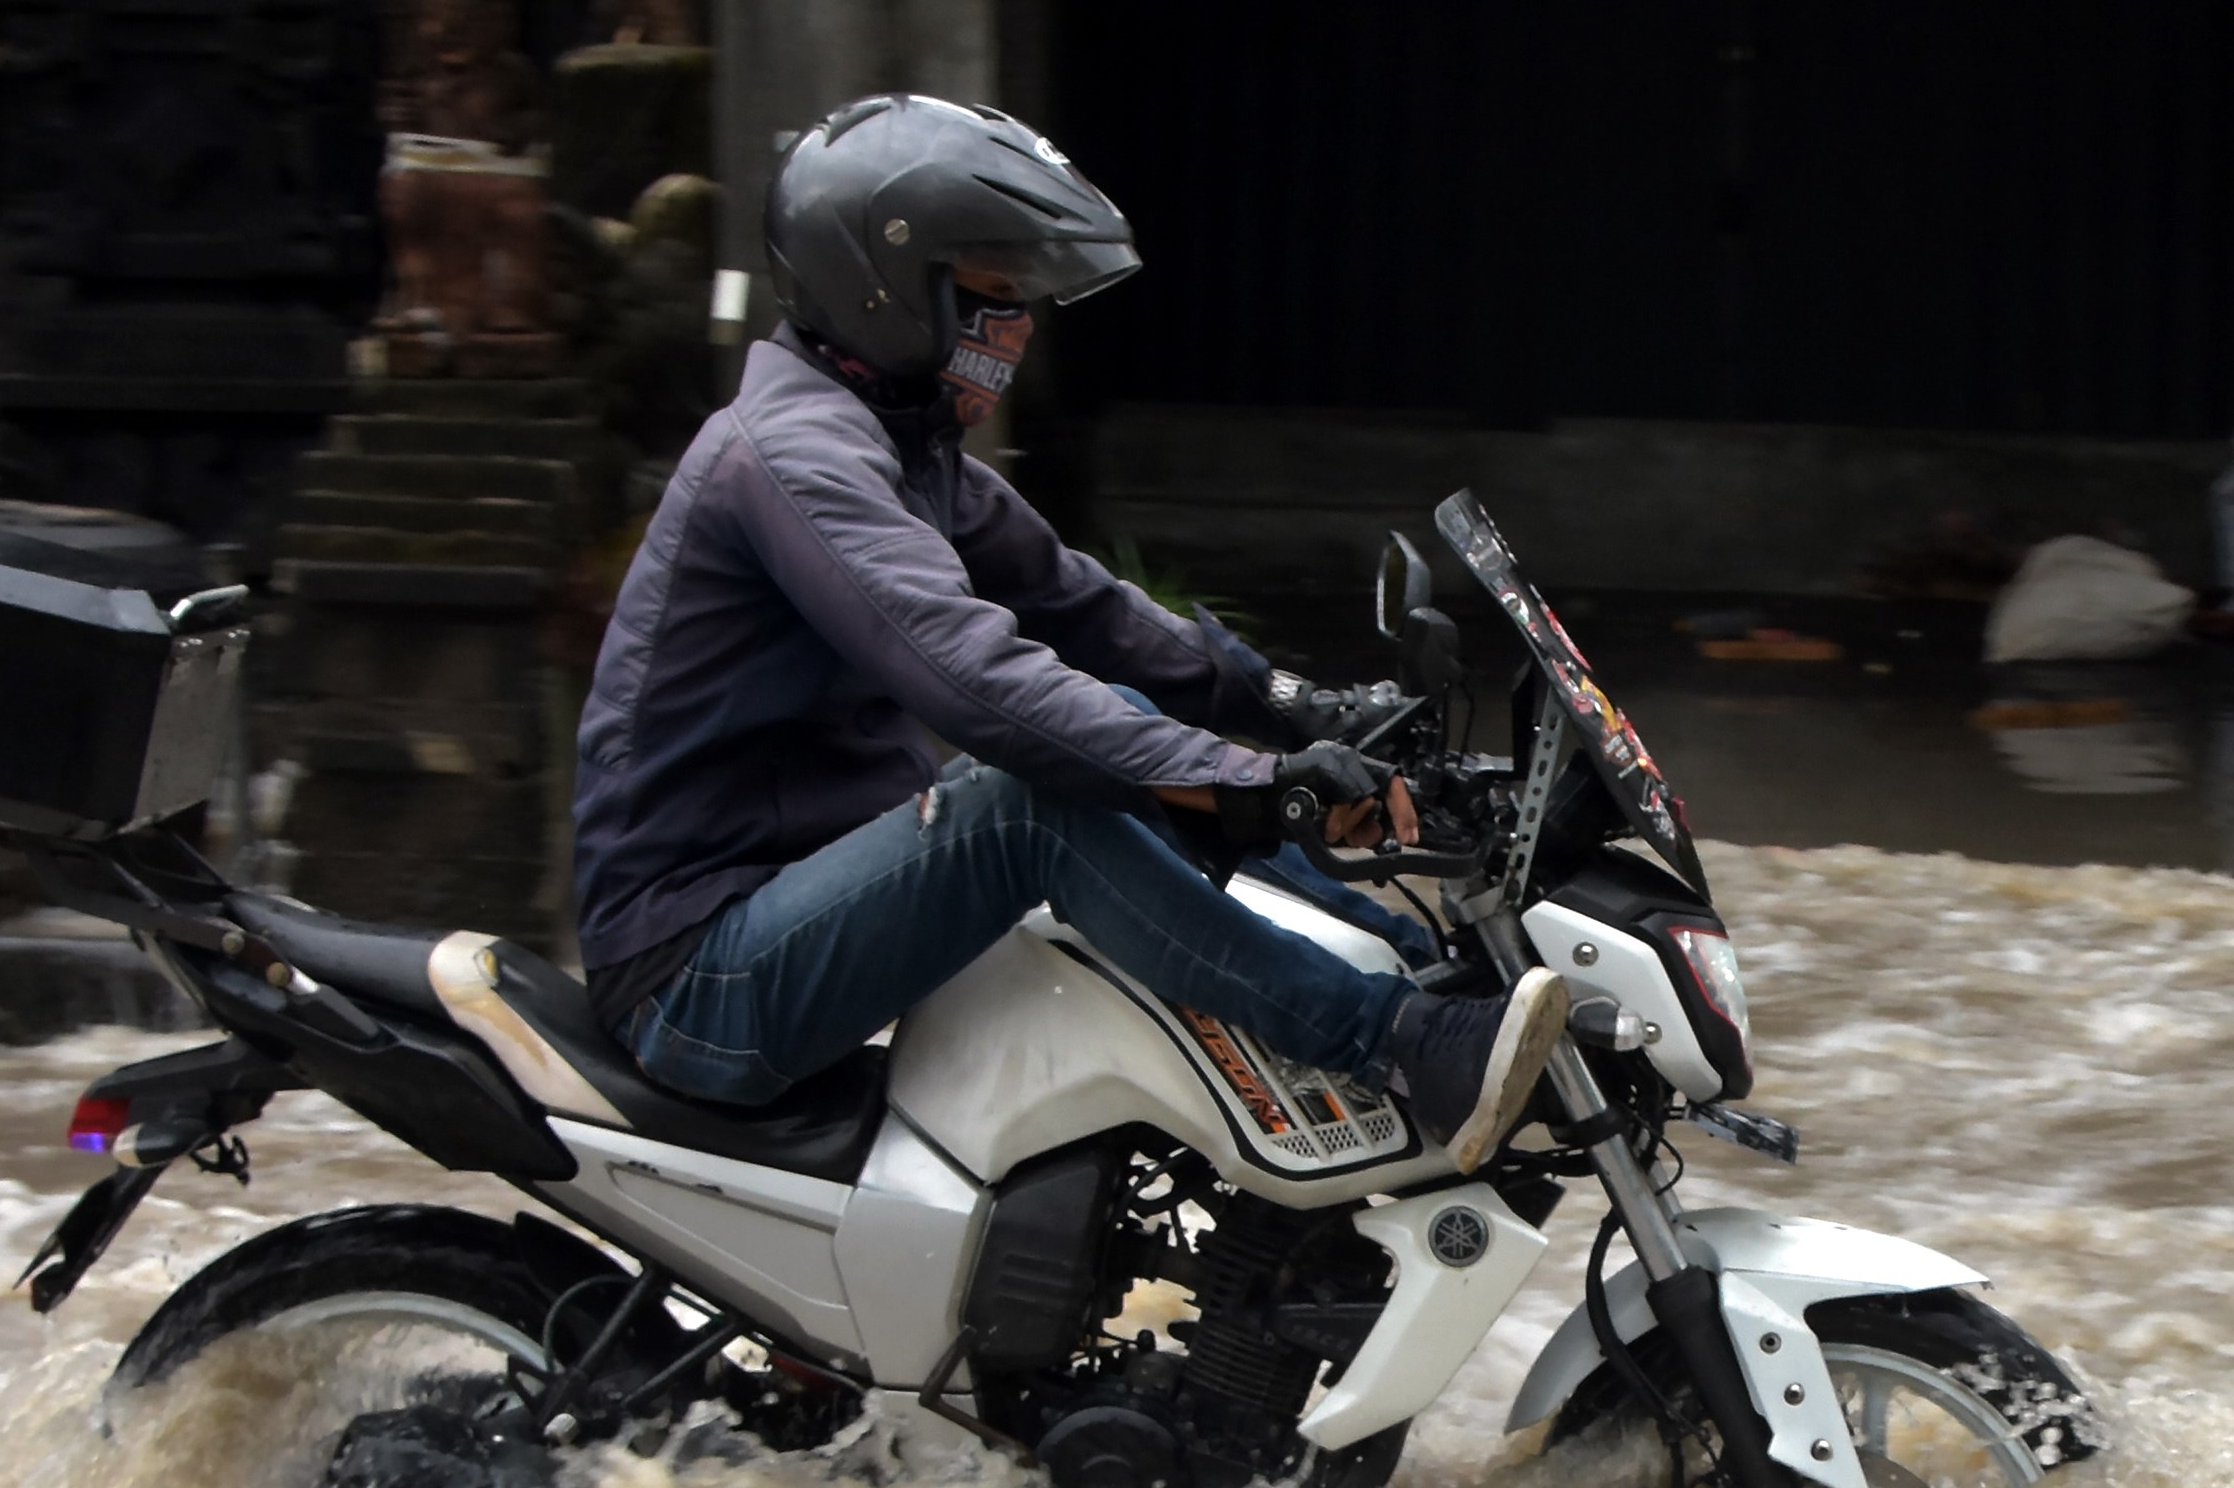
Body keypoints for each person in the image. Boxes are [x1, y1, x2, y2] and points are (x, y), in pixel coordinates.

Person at [568, 92, 1567, 1170]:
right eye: (996, 295)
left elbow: (1088, 610)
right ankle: (1396, 1043)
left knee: (1129, 726)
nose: (1020, 329)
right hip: (700, 976)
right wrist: (1243, 777)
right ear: (889, 290)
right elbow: (978, 679)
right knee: (1029, 806)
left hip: (794, 907)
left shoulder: (906, 447)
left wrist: (1294, 709)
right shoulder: (799, 459)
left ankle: (1424, 974)